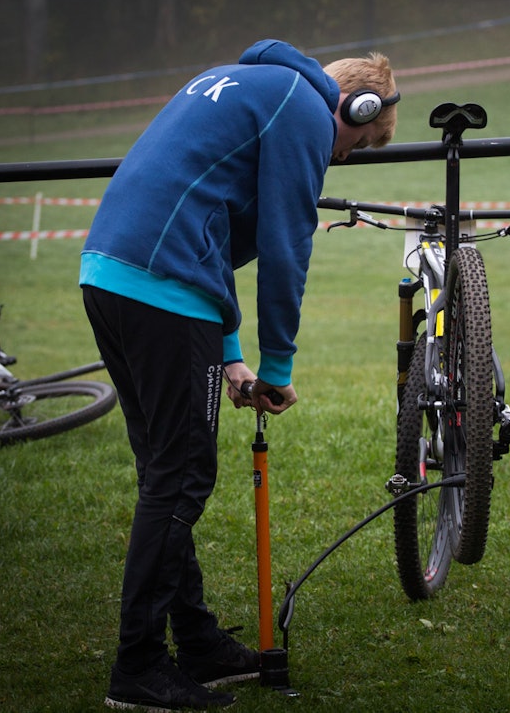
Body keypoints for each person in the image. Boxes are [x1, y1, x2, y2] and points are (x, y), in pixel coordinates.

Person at [80, 39, 399, 711]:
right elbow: (287, 244)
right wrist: (277, 366)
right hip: (163, 288)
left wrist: (228, 352)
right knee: (182, 475)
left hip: (110, 272)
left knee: (165, 470)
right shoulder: (305, 113)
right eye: (363, 141)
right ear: (354, 105)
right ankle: (137, 667)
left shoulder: (245, 82)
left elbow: (212, 222)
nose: (346, 157)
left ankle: (195, 642)